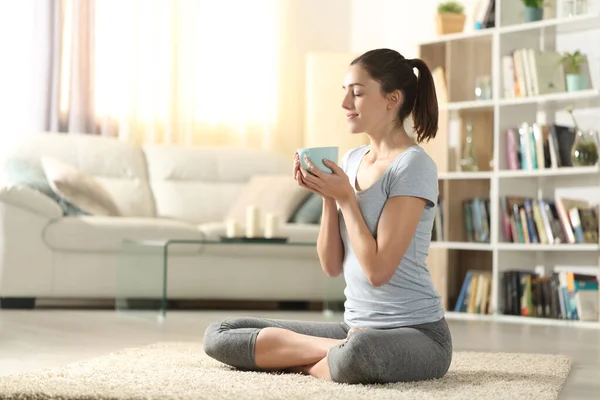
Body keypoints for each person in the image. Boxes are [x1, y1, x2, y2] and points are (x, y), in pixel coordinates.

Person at [203, 48, 452, 385]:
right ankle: (327, 354)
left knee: (359, 353)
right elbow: (332, 265)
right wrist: (326, 196)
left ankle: (303, 356)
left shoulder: (413, 166)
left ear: (392, 99)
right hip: (353, 327)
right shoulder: (350, 160)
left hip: (417, 334)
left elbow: (378, 271)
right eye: (345, 91)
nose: (345, 103)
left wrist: (347, 198)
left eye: (358, 92)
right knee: (221, 333)